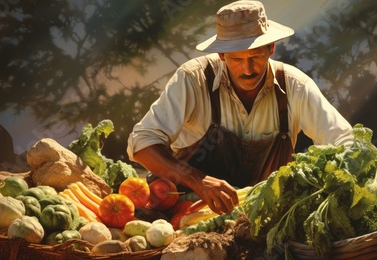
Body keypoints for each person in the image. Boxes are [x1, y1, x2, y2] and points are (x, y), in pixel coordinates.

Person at [127, 0, 353, 214]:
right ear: (221, 54)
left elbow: (344, 141)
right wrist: (197, 180)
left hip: (262, 218)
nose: (247, 69)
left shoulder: (295, 86)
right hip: (186, 212)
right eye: (236, 59)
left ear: (271, 48)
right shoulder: (193, 79)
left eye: (255, 56)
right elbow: (142, 143)